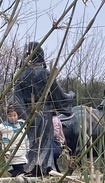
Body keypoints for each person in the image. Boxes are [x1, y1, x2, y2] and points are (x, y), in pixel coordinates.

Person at [13, 42, 74, 175]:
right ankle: (44, 166)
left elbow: (16, 99)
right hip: (45, 113)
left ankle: (28, 167)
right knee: (44, 140)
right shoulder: (45, 74)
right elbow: (58, 95)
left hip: (28, 114)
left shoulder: (21, 75)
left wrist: (24, 114)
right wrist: (70, 96)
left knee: (30, 141)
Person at [0, 107, 29, 177]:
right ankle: (11, 182)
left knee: (19, 170)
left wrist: (27, 148)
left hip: (21, 152)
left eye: (14, 115)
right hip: (13, 153)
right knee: (19, 170)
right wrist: (7, 152)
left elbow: (25, 139)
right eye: (10, 116)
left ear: (18, 116)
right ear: (7, 117)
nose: (12, 118)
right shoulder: (8, 129)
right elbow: (5, 143)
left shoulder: (21, 126)